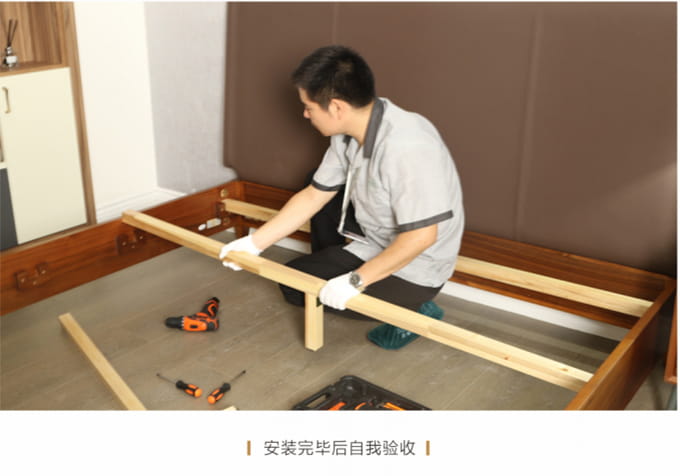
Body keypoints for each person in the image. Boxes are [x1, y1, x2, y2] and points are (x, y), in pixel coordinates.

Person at [220, 45, 464, 326]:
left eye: (309, 107)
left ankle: (418, 309)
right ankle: (346, 272)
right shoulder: (350, 129)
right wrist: (253, 243)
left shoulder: (407, 147)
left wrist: (355, 281)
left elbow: (421, 238)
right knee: (292, 280)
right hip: (377, 242)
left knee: (306, 289)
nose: (305, 114)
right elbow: (314, 195)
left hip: (418, 266)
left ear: (337, 107)